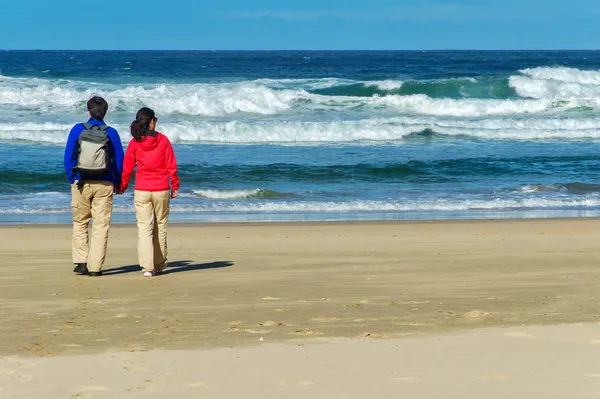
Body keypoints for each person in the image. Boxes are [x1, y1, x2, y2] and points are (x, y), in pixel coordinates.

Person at [64, 96, 124, 277]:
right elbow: (119, 160)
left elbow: (68, 157)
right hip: (104, 183)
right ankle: (95, 267)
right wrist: (117, 182)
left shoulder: (77, 129)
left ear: (89, 112)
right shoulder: (111, 133)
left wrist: (72, 177)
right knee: (101, 225)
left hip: (81, 182)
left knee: (80, 222)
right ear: (105, 112)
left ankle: (81, 262)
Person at [120, 107, 180, 277]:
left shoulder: (135, 142)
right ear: (152, 122)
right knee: (160, 227)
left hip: (142, 190)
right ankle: (159, 264)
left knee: (144, 228)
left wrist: (123, 186)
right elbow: (171, 166)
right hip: (161, 189)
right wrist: (175, 185)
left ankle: (147, 268)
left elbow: (127, 168)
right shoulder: (163, 140)